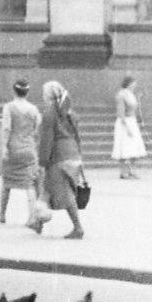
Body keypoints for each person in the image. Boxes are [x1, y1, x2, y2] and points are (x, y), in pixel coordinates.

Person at [37, 79, 85, 239]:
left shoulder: (50, 113)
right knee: (48, 188)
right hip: (72, 154)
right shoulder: (68, 111)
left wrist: (42, 161)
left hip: (59, 157)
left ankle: (78, 228)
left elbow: (47, 139)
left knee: (66, 194)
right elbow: (77, 135)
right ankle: (37, 223)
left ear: (48, 96)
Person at [0, 78, 42, 225]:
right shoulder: (33, 109)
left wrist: (4, 146)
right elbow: (38, 127)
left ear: (14, 90)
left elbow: (6, 128)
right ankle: (33, 217)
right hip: (29, 148)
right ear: (27, 92)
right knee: (30, 185)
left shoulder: (9, 107)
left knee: (6, 182)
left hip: (13, 148)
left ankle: (2, 213)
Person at [112, 74, 146, 179]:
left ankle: (132, 170)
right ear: (128, 83)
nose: (134, 85)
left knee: (134, 147)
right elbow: (121, 113)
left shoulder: (131, 94)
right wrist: (127, 128)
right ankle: (123, 172)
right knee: (124, 148)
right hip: (125, 123)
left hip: (132, 121)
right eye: (133, 83)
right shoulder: (121, 95)